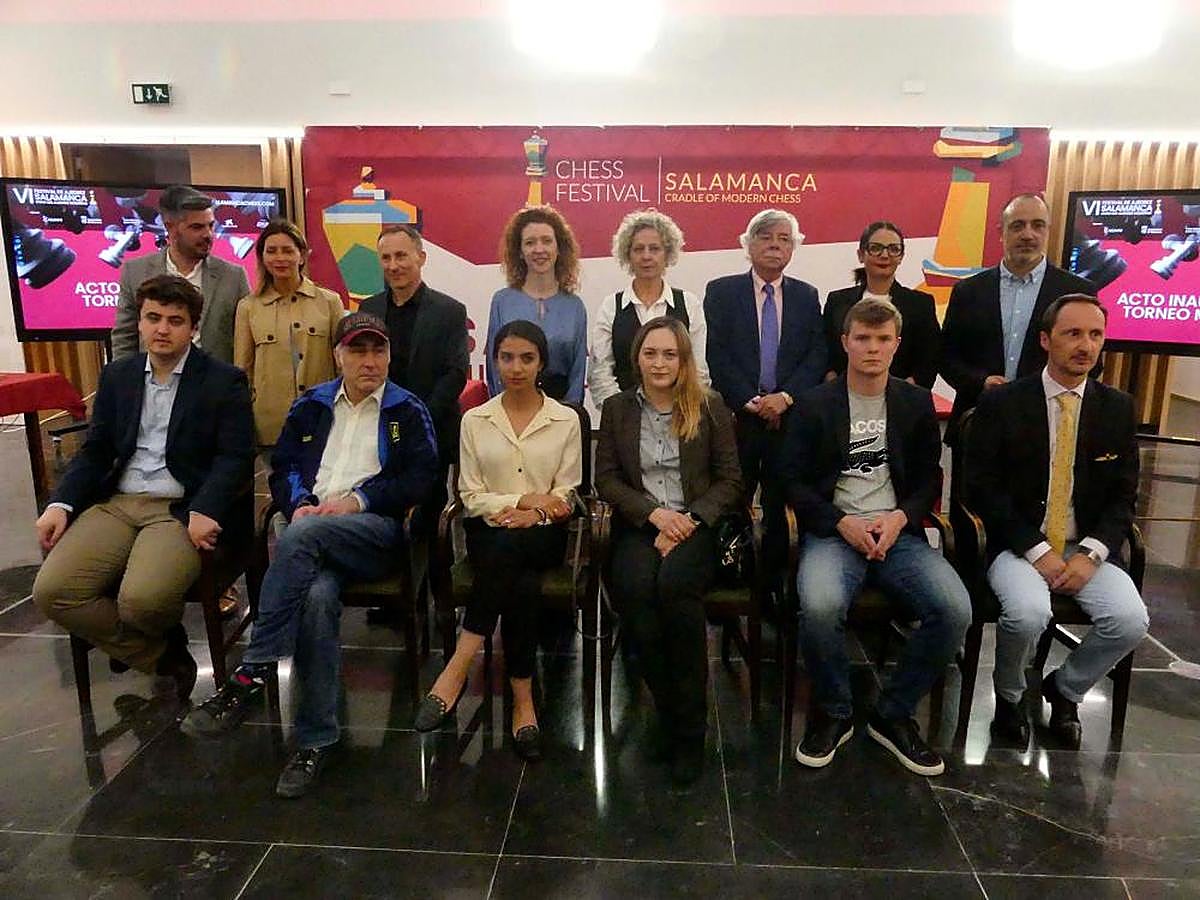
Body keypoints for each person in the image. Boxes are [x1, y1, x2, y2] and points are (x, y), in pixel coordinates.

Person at [181, 312, 439, 798]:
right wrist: (299, 502)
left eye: (378, 351)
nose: (369, 361)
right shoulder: (311, 405)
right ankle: (316, 741)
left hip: (371, 531)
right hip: (307, 528)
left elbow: (421, 478)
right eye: (358, 351)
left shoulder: (407, 409)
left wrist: (357, 501)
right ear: (338, 355)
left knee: (303, 536)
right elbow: (283, 468)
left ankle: (255, 667)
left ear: (389, 356)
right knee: (316, 597)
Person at [32, 274, 255, 698]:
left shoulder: (222, 380)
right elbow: (96, 450)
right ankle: (158, 653)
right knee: (52, 591)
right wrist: (61, 504)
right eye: (153, 318)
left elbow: (235, 457)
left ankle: (136, 638)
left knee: (142, 602)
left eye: (175, 320)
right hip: (117, 501)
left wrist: (206, 508)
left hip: (178, 507)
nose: (162, 329)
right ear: (139, 322)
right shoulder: (119, 375)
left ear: (194, 327)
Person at [781, 298, 970, 776]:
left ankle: (894, 713)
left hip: (897, 533)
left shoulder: (915, 403)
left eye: (883, 339)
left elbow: (928, 479)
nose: (872, 348)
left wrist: (900, 518)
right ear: (845, 342)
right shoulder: (813, 403)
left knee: (955, 609)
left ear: (896, 345)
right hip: (834, 531)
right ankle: (835, 711)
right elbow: (792, 481)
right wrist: (839, 521)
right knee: (819, 606)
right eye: (862, 338)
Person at [966, 294, 1147, 748]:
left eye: (1095, 335)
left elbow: (1123, 497)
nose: (1085, 345)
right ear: (1046, 340)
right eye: (1073, 334)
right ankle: (1010, 697)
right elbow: (983, 490)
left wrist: (1092, 553)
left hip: (1085, 547)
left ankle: (1065, 689)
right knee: (1028, 614)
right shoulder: (1003, 403)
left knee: (1130, 620)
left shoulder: (1117, 408)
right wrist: (1037, 550)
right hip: (1018, 544)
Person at [414, 320, 581, 762]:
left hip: (545, 532)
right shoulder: (474, 419)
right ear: (493, 360)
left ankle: (457, 666)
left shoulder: (566, 419)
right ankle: (523, 702)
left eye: (527, 358)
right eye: (506, 357)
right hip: (488, 532)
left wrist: (536, 514)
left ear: (541, 363)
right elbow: (470, 496)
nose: (516, 367)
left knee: (511, 553)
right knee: (519, 581)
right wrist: (522, 500)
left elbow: (566, 494)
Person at [595, 317, 741, 786]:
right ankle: (669, 712)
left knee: (676, 589)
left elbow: (730, 481)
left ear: (684, 360)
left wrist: (687, 521)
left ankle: (691, 732)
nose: (659, 363)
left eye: (669, 354)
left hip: (696, 525)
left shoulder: (710, 406)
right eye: (651, 353)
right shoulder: (617, 409)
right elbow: (606, 479)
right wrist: (655, 516)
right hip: (642, 525)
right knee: (635, 593)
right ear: (636, 358)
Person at [703, 209, 826, 595]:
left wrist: (785, 398)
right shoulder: (721, 292)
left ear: (793, 248)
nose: (775, 245)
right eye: (766, 237)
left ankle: (771, 587)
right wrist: (750, 401)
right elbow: (715, 353)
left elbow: (816, 355)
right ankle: (728, 580)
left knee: (780, 504)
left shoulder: (806, 296)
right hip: (737, 419)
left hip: (787, 420)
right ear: (749, 244)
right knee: (731, 501)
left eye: (784, 238)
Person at [941, 193, 1095, 446]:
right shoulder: (968, 291)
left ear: (1048, 230)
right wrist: (980, 382)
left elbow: (1090, 361)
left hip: (1047, 424)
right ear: (1001, 232)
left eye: (1037, 225)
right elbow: (947, 357)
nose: (1027, 234)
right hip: (976, 422)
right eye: (1017, 226)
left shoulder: (1077, 292)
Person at [359, 223, 469, 540]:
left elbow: (455, 373)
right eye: (386, 258)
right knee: (382, 510)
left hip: (431, 430)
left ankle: (434, 570)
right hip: (379, 428)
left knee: (429, 519)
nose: (393, 265)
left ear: (421, 257)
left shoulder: (449, 311)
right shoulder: (368, 309)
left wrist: (418, 420)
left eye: (401, 256)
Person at [234, 219, 345, 447]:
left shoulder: (329, 302)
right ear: (262, 257)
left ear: (301, 256)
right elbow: (243, 370)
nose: (280, 258)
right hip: (271, 428)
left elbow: (343, 365)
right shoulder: (248, 307)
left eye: (287, 250)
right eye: (271, 251)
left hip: (321, 420)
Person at [111, 185, 251, 364]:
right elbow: (124, 337)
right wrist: (125, 378)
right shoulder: (135, 272)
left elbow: (246, 340)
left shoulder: (233, 276)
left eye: (210, 225)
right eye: (197, 227)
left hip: (215, 379)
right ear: (170, 228)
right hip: (155, 378)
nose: (208, 234)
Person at [589, 209, 708, 406]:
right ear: (627, 255)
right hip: (624, 417)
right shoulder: (611, 307)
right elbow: (600, 372)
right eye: (638, 249)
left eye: (654, 249)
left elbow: (698, 370)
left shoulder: (689, 304)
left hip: (680, 415)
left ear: (667, 253)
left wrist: (677, 412)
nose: (646, 256)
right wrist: (621, 413)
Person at [486, 206, 588, 404]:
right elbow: (494, 367)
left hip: (562, 409)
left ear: (559, 248)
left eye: (547, 241)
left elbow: (577, 373)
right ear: (520, 251)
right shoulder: (502, 301)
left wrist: (571, 414)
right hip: (511, 407)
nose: (539, 249)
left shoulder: (575, 306)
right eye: (530, 243)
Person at [823, 221, 940, 389]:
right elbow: (825, 353)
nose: (885, 255)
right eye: (876, 248)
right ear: (861, 254)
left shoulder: (920, 304)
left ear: (901, 256)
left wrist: (902, 393)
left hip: (901, 398)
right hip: (842, 396)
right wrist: (834, 388)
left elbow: (929, 359)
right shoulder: (837, 301)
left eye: (893, 249)